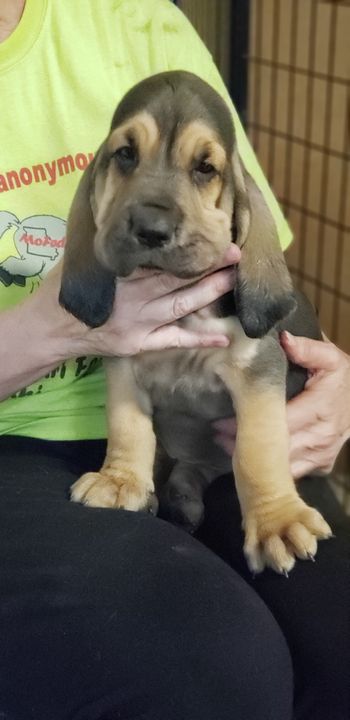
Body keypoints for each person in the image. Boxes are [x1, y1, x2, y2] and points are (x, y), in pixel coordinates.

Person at [0, 1, 349, 719]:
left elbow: (256, 289)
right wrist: (58, 325)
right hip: (18, 441)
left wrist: (333, 384)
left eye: (200, 168)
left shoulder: (135, 15)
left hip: (210, 433)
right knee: (211, 675)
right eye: (124, 156)